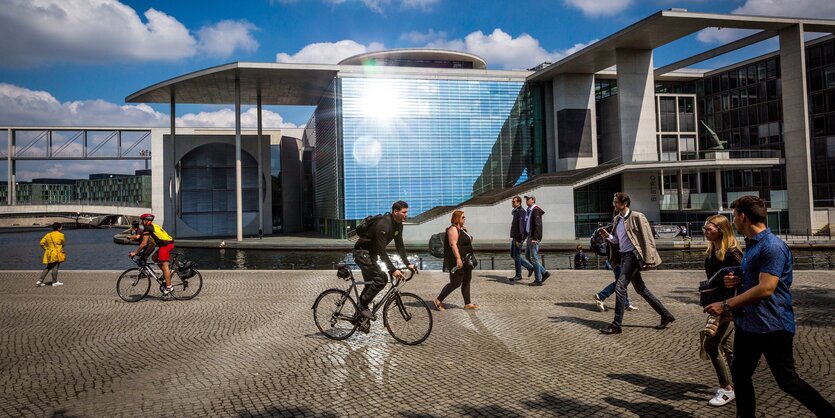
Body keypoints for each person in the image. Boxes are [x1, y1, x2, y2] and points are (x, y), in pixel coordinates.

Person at [705, 196, 834, 418]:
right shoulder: (752, 245)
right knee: (740, 374)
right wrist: (733, 280)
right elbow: (754, 281)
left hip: (772, 325)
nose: (733, 221)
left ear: (743, 217)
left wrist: (725, 304)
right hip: (748, 324)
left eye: (734, 216)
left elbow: (766, 288)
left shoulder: (772, 246)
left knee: (788, 381)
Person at [599, 192, 675, 334]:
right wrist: (608, 236)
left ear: (625, 203)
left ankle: (616, 324)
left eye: (616, 202)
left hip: (633, 256)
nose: (614, 205)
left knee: (620, 287)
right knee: (641, 290)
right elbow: (617, 241)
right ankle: (666, 315)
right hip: (623, 256)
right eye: (614, 202)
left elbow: (648, 239)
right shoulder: (617, 219)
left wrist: (649, 260)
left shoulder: (637, 217)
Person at [700, 214, 743, 407]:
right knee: (726, 346)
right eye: (704, 228)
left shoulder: (732, 253)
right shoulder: (712, 251)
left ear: (721, 230)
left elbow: (745, 277)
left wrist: (731, 292)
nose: (705, 232)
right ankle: (741, 382)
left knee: (711, 344)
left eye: (709, 229)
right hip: (717, 304)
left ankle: (727, 388)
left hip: (728, 306)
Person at [353, 201, 417, 323]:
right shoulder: (384, 224)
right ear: (395, 212)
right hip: (362, 253)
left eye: (406, 212)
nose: (406, 214)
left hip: (371, 255)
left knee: (370, 284)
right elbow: (381, 251)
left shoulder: (398, 225)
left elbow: (400, 246)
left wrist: (408, 264)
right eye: (404, 212)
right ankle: (362, 306)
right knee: (381, 278)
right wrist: (393, 270)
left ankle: (358, 318)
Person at [434, 210, 479, 310]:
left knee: (467, 280)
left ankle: (468, 303)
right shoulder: (452, 229)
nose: (464, 219)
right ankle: (438, 300)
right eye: (463, 217)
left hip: (467, 260)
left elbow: (462, 242)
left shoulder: (462, 229)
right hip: (458, 260)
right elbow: (453, 244)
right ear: (457, 218)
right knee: (456, 282)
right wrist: (458, 259)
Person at [129, 214, 175, 296]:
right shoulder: (153, 226)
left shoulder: (148, 227)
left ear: (146, 220)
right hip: (166, 244)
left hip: (165, 245)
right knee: (154, 258)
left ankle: (169, 287)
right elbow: (152, 244)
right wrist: (144, 255)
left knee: (165, 265)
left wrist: (135, 253)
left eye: (142, 220)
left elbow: (143, 244)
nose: (141, 222)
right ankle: (165, 275)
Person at [524, 195, 551, 286]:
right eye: (526, 199)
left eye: (528, 199)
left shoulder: (535, 210)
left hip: (533, 237)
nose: (527, 201)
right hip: (529, 236)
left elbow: (538, 225)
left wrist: (535, 238)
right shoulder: (530, 210)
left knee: (534, 258)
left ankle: (538, 280)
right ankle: (544, 272)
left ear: (533, 200)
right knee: (528, 256)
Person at [509, 196, 534, 282]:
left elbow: (522, 227)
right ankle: (530, 267)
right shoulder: (516, 211)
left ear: (519, 202)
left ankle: (518, 275)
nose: (512, 203)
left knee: (517, 255)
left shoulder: (521, 212)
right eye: (512, 202)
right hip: (514, 237)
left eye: (514, 202)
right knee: (513, 255)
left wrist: (520, 240)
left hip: (518, 238)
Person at [37, 222, 66, 287]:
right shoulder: (61, 235)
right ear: (58, 228)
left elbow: (41, 243)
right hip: (56, 253)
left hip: (49, 253)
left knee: (48, 267)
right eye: (61, 227)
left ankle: (40, 281)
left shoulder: (48, 235)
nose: (62, 228)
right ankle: (54, 282)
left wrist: (46, 249)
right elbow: (63, 244)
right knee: (55, 267)